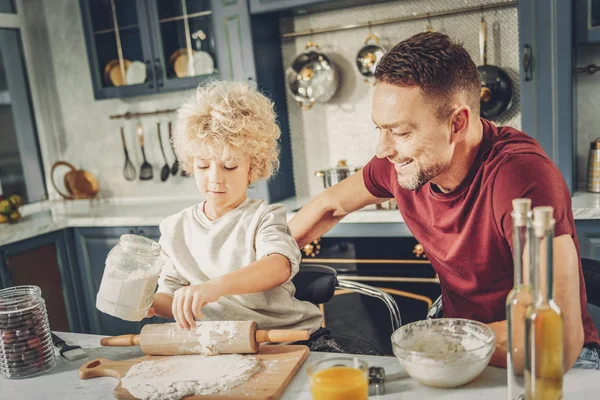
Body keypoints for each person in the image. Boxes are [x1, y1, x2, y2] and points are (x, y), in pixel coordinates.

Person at [288, 32, 600, 370]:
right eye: (380, 128)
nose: (383, 149)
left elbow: (559, 336)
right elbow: (329, 205)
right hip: (459, 338)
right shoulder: (401, 163)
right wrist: (262, 267)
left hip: (551, 358)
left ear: (458, 123)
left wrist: (435, 344)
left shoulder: (520, 176)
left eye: (402, 132)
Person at [146, 81, 327, 348]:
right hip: (224, 345)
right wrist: (144, 305)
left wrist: (214, 287)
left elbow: (279, 265)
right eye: (203, 165)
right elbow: (170, 299)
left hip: (288, 338)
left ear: (252, 167)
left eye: (230, 166)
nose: (215, 179)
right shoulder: (176, 228)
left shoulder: (264, 217)